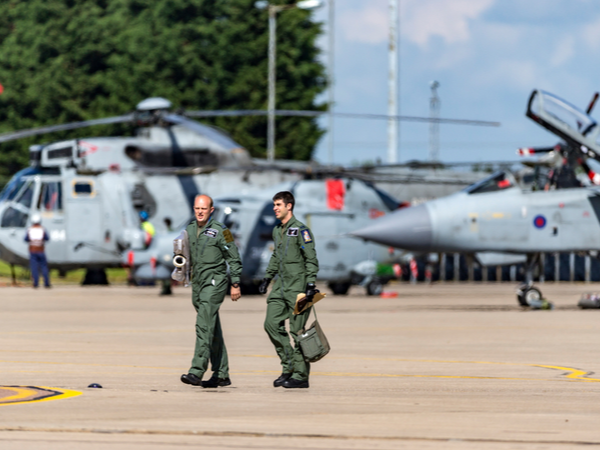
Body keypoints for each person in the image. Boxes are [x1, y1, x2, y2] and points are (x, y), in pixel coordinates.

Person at [258, 191, 319, 389]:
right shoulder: (278, 230)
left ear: (289, 206)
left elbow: (311, 259)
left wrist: (310, 284)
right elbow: (276, 256)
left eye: (278, 205)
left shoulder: (302, 230)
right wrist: (267, 277)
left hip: (300, 289)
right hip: (280, 287)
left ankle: (300, 376)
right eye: (274, 205)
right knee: (271, 324)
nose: (275, 208)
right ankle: (289, 366)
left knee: (297, 331)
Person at [180, 194, 242, 388]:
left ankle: (196, 371)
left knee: (203, 325)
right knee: (212, 328)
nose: (200, 212)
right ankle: (222, 374)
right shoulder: (189, 230)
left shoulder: (222, 231)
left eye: (204, 209)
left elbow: (233, 257)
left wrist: (236, 283)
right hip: (198, 284)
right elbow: (184, 256)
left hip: (215, 282)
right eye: (197, 208)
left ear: (211, 210)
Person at [25, 214, 50, 288]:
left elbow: (26, 239)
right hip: (41, 250)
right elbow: (47, 238)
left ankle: (36, 283)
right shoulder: (42, 229)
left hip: (33, 251)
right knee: (44, 266)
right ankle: (46, 283)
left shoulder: (30, 229)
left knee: (34, 267)